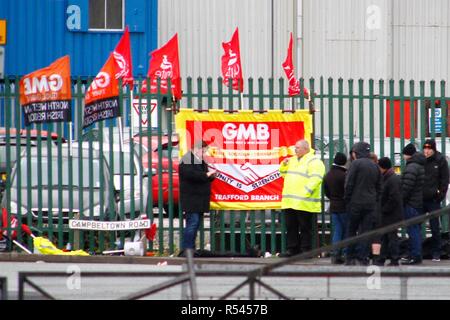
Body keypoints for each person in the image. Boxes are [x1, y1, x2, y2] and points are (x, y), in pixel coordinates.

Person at [279, 139, 325, 257]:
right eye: (295, 147)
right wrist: (283, 165)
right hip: (290, 202)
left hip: (304, 202)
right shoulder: (292, 160)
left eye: (298, 147)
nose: (295, 149)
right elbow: (284, 175)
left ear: (305, 149)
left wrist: (305, 193)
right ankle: (292, 250)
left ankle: (305, 251)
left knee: (305, 228)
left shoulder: (314, 161)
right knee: (291, 227)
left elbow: (316, 179)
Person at [344, 142, 382, 266]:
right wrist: (375, 200)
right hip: (370, 204)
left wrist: (347, 199)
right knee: (366, 231)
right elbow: (379, 186)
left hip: (355, 203)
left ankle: (350, 257)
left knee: (351, 230)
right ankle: (363, 257)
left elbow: (349, 184)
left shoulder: (355, 164)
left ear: (356, 153)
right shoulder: (375, 166)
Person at [178, 141, 216, 257]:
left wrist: (210, 176)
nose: (203, 153)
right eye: (203, 150)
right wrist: (206, 175)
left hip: (199, 199)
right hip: (191, 198)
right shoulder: (187, 159)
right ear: (196, 149)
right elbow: (190, 175)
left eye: (204, 151)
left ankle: (191, 248)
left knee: (195, 224)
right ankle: (187, 249)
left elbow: (201, 175)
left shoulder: (200, 161)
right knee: (192, 224)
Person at [422, 139, 449, 262]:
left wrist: (440, 195)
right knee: (415, 225)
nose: (426, 151)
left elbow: (444, 179)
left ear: (433, 149)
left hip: (433, 199)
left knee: (434, 226)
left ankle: (436, 252)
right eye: (425, 148)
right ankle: (415, 251)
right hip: (421, 198)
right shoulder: (421, 160)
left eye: (429, 149)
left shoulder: (440, 160)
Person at [375, 157, 403, 266]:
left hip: (391, 214)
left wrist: (384, 209)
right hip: (389, 214)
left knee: (391, 237)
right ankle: (383, 258)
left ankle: (394, 259)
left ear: (383, 167)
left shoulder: (392, 179)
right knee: (385, 237)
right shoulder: (388, 177)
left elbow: (394, 198)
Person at [400, 143, 425, 265]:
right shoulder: (419, 166)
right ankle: (414, 253)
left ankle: (415, 255)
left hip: (411, 203)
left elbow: (406, 187)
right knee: (415, 229)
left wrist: (402, 200)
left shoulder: (411, 167)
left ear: (407, 154)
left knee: (413, 230)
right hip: (417, 202)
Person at [323, 152, 348, 264]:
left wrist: (333, 198)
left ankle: (335, 254)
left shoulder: (328, 175)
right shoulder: (344, 175)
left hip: (333, 206)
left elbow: (326, 192)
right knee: (346, 231)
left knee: (337, 230)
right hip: (344, 206)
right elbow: (348, 191)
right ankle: (344, 253)